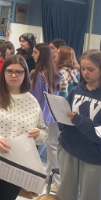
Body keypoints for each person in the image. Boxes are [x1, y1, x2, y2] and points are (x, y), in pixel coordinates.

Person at [0, 54, 48, 200]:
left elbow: (44, 133)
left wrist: (39, 134)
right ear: (3, 72)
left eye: (19, 72)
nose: (14, 75)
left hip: (15, 167)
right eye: (9, 71)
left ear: (26, 74)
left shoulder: (32, 101)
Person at [57, 50, 101, 200]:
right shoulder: (76, 91)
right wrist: (59, 115)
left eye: (90, 69)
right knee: (64, 199)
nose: (85, 73)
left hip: (95, 156)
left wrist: (80, 120)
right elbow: (65, 123)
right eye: (83, 69)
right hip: (69, 149)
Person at [30, 43, 61, 188]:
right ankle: (50, 177)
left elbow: (34, 98)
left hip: (39, 115)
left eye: (35, 53)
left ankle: (35, 178)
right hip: (52, 114)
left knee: (36, 150)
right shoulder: (54, 73)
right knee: (51, 148)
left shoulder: (38, 75)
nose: (32, 55)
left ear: (41, 55)